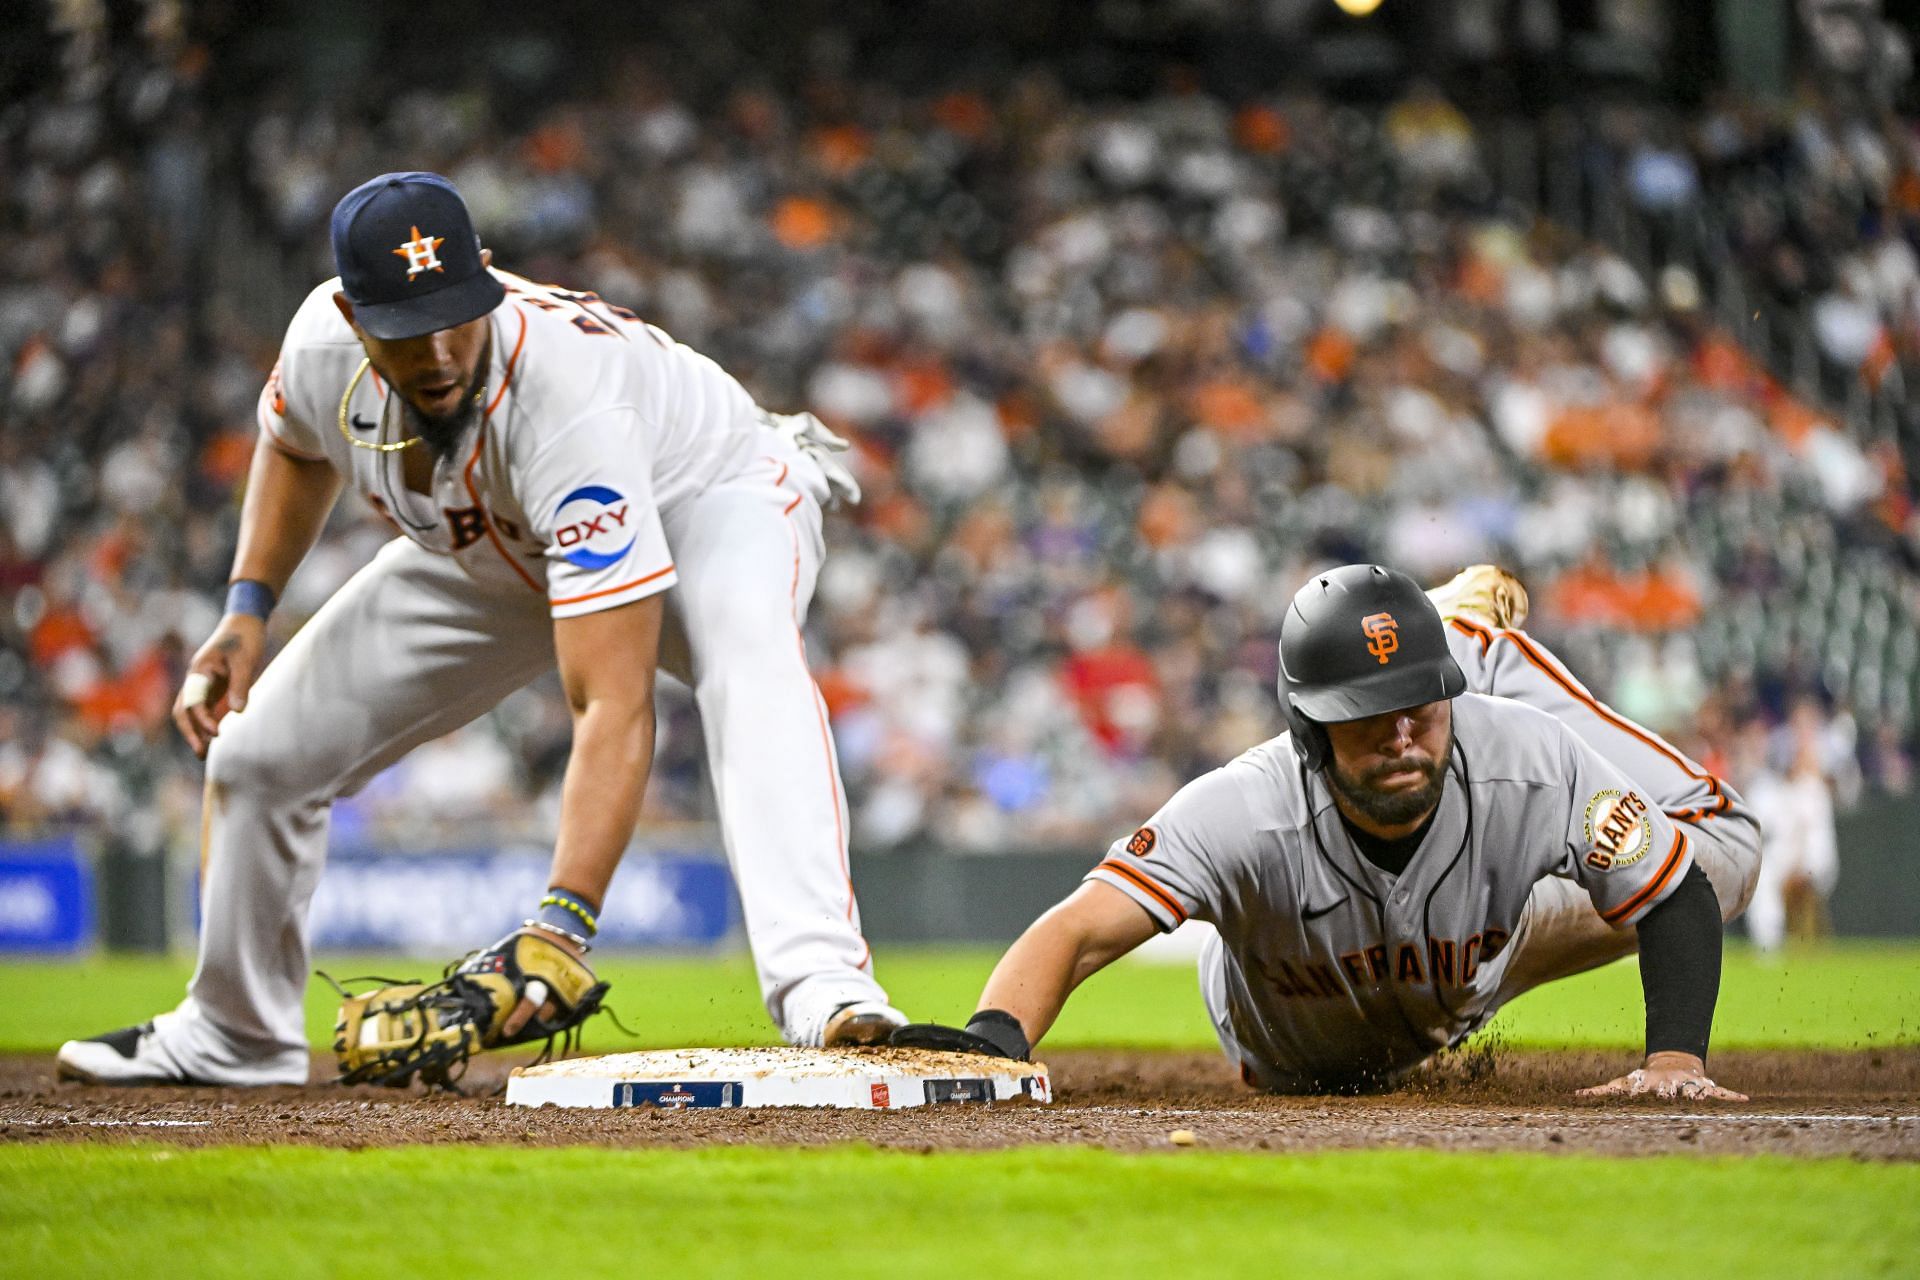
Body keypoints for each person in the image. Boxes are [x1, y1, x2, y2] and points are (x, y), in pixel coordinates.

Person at [58, 172, 905, 1086]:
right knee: (258, 758)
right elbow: (295, 446)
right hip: (493, 543)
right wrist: (245, 609)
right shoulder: (315, 348)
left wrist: (563, 923)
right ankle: (233, 1033)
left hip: (707, 494)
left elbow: (612, 704)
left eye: (454, 313)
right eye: (403, 328)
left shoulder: (569, 400)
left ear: (488, 276)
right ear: (349, 313)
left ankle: (823, 985)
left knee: (749, 661)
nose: (436, 351)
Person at [896, 564, 1759, 1098]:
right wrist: (993, 1042)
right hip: (1294, 1024)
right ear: (1309, 728)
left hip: (1488, 943)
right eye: (1367, 712)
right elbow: (1080, 930)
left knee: (1727, 852)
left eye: (1420, 704)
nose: (1399, 735)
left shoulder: (1524, 760)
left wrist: (1676, 1060)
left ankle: (1467, 641)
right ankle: (1446, 632)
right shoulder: (1245, 807)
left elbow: (1676, 890)